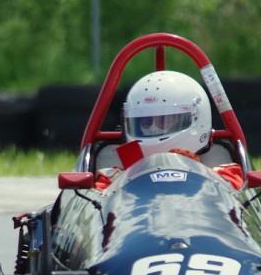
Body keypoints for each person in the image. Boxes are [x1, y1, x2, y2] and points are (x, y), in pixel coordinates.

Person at [94, 70, 243, 191]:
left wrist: (189, 168)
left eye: (163, 122)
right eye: (145, 123)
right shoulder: (112, 179)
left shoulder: (224, 176)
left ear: (196, 119)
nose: (152, 128)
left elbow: (236, 203)